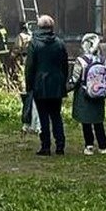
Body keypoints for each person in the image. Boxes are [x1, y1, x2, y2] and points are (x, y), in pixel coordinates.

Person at [24, 14, 69, 156]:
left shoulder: (34, 43)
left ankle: (45, 147)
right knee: (56, 115)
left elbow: (29, 67)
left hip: (40, 85)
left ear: (39, 27)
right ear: (52, 27)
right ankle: (60, 146)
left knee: (43, 116)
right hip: (56, 84)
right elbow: (65, 65)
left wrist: (29, 85)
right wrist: (62, 81)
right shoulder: (60, 43)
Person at [71, 32, 106, 154]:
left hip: (84, 94)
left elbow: (75, 79)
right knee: (98, 121)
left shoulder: (81, 61)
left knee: (86, 121)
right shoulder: (104, 61)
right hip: (99, 95)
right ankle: (103, 147)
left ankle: (89, 146)